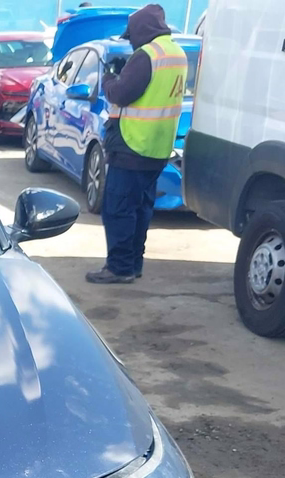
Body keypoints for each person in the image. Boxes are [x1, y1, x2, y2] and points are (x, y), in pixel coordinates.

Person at [85, 4, 187, 284]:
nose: (131, 42)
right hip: (158, 146)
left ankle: (119, 268)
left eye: (131, 37)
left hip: (133, 144)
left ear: (141, 30)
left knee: (118, 208)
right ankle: (133, 263)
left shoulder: (147, 56)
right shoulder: (176, 53)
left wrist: (109, 79)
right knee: (141, 208)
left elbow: (121, 94)